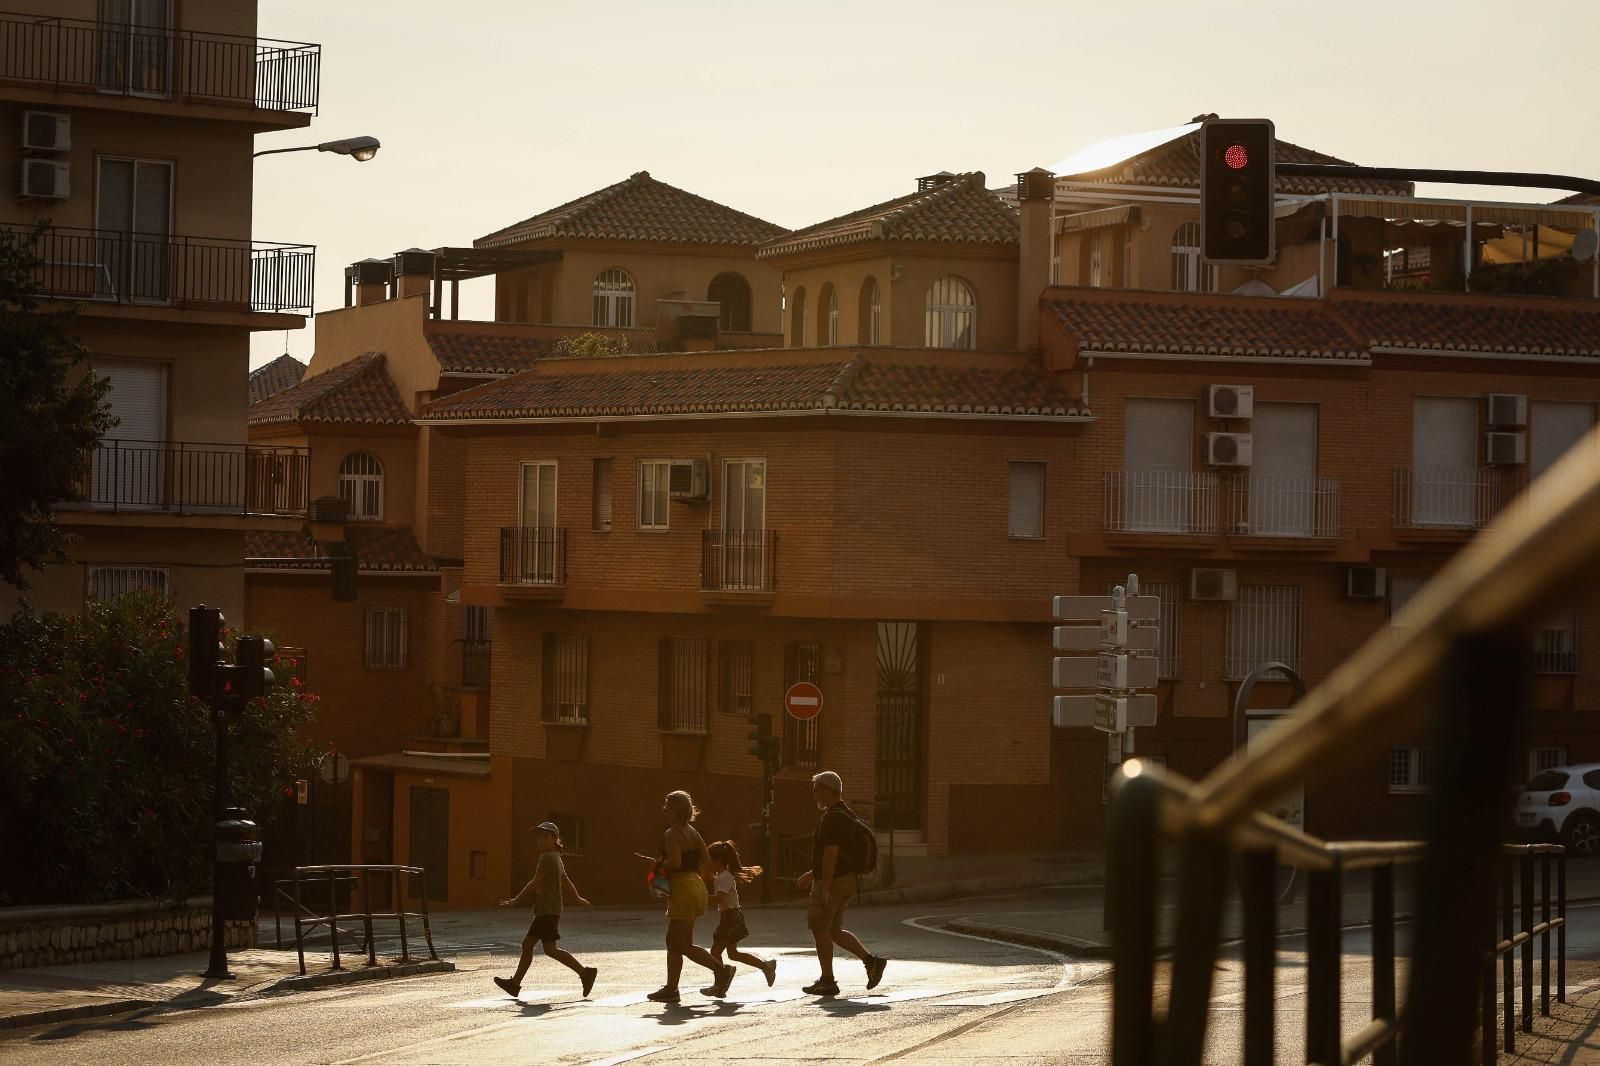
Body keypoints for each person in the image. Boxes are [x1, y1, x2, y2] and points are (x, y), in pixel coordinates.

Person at [796, 771, 887, 996]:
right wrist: (811, 874)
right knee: (834, 930)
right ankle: (871, 962)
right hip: (845, 880)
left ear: (828, 790)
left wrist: (824, 887)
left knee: (820, 928)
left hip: (834, 882)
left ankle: (828, 980)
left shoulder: (834, 817)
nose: (814, 794)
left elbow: (831, 855)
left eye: (817, 789)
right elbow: (834, 856)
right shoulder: (845, 813)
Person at [646, 790, 734, 1003]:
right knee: (675, 942)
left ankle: (720, 970)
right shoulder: (693, 832)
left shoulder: (671, 834)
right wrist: (700, 884)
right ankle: (672, 988)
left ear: (676, 810)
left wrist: (658, 864)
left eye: (668, 807)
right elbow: (707, 862)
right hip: (695, 885)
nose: (664, 810)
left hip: (682, 888)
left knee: (680, 943)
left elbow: (674, 863)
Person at [494, 822, 598, 1000]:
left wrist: (515, 901)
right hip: (548, 909)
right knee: (532, 946)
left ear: (554, 839)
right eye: (539, 837)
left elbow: (535, 882)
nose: (540, 840)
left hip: (547, 910)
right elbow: (566, 881)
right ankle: (515, 984)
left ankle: (585, 973)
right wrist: (578, 898)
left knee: (546, 948)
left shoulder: (547, 858)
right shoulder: (556, 857)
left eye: (545, 837)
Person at [701, 839, 777, 993]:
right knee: (733, 953)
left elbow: (719, 898)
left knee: (715, 953)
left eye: (710, 861)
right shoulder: (722, 875)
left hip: (730, 917)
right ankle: (766, 966)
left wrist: (700, 896)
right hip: (731, 916)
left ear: (717, 861)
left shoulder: (724, 877)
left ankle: (719, 984)